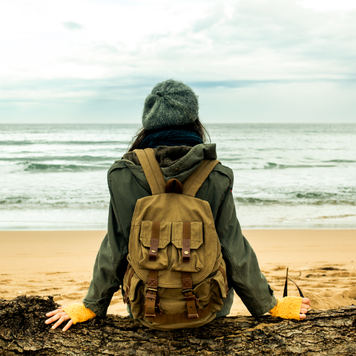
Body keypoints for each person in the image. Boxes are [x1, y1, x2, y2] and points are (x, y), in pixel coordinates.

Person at [45, 79, 310, 331]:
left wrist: (92, 306)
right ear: (194, 121)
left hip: (144, 309)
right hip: (209, 311)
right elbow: (233, 247)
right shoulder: (217, 175)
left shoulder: (122, 175)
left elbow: (116, 246)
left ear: (148, 123)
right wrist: (269, 306)